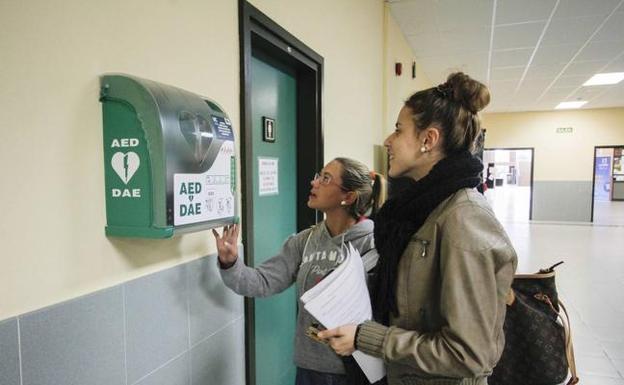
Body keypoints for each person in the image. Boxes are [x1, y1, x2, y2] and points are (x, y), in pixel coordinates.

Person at [318, 73, 518, 385]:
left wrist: (368, 338)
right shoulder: (418, 211)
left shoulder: (463, 219)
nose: (388, 141)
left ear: (428, 140)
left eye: (398, 130)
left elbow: (469, 353)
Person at [212, 157, 386, 385]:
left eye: (326, 179)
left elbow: (386, 310)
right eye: (318, 176)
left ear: (349, 196)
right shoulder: (305, 240)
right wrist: (231, 262)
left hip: (356, 371)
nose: (314, 183)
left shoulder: (374, 244)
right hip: (309, 367)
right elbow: (263, 281)